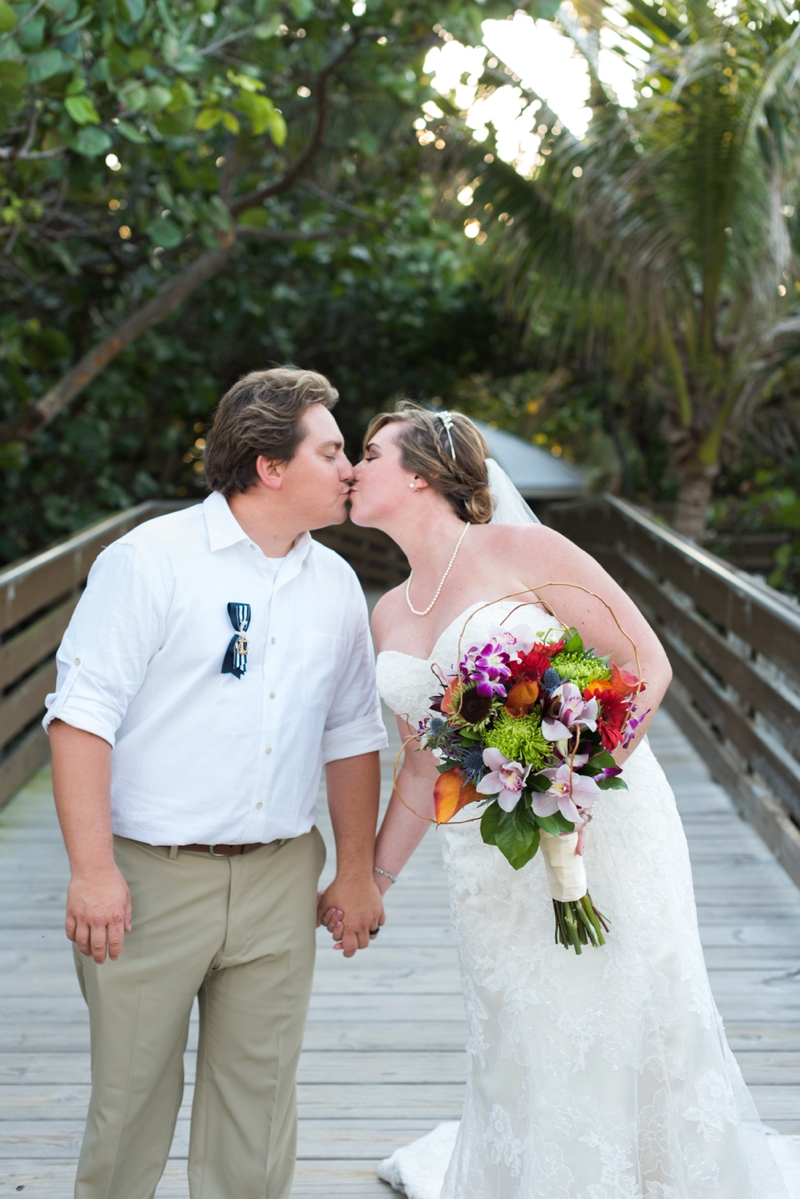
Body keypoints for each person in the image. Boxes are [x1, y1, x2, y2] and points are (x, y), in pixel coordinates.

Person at [323, 400, 796, 1198]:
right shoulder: (386, 611)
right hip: (487, 853)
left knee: (632, 1002)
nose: (352, 469)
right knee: (524, 1024)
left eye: (369, 453)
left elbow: (643, 662)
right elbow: (416, 769)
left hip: (602, 818)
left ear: (423, 473)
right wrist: (372, 879)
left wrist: (567, 787)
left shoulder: (525, 549)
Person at [44, 367, 388, 1199]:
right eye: (333, 450)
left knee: (259, 1112)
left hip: (279, 876)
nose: (351, 469)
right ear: (271, 466)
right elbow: (79, 718)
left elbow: (351, 734)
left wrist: (353, 868)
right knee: (129, 1106)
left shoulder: (336, 584)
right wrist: (93, 871)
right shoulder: (149, 563)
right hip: (151, 876)